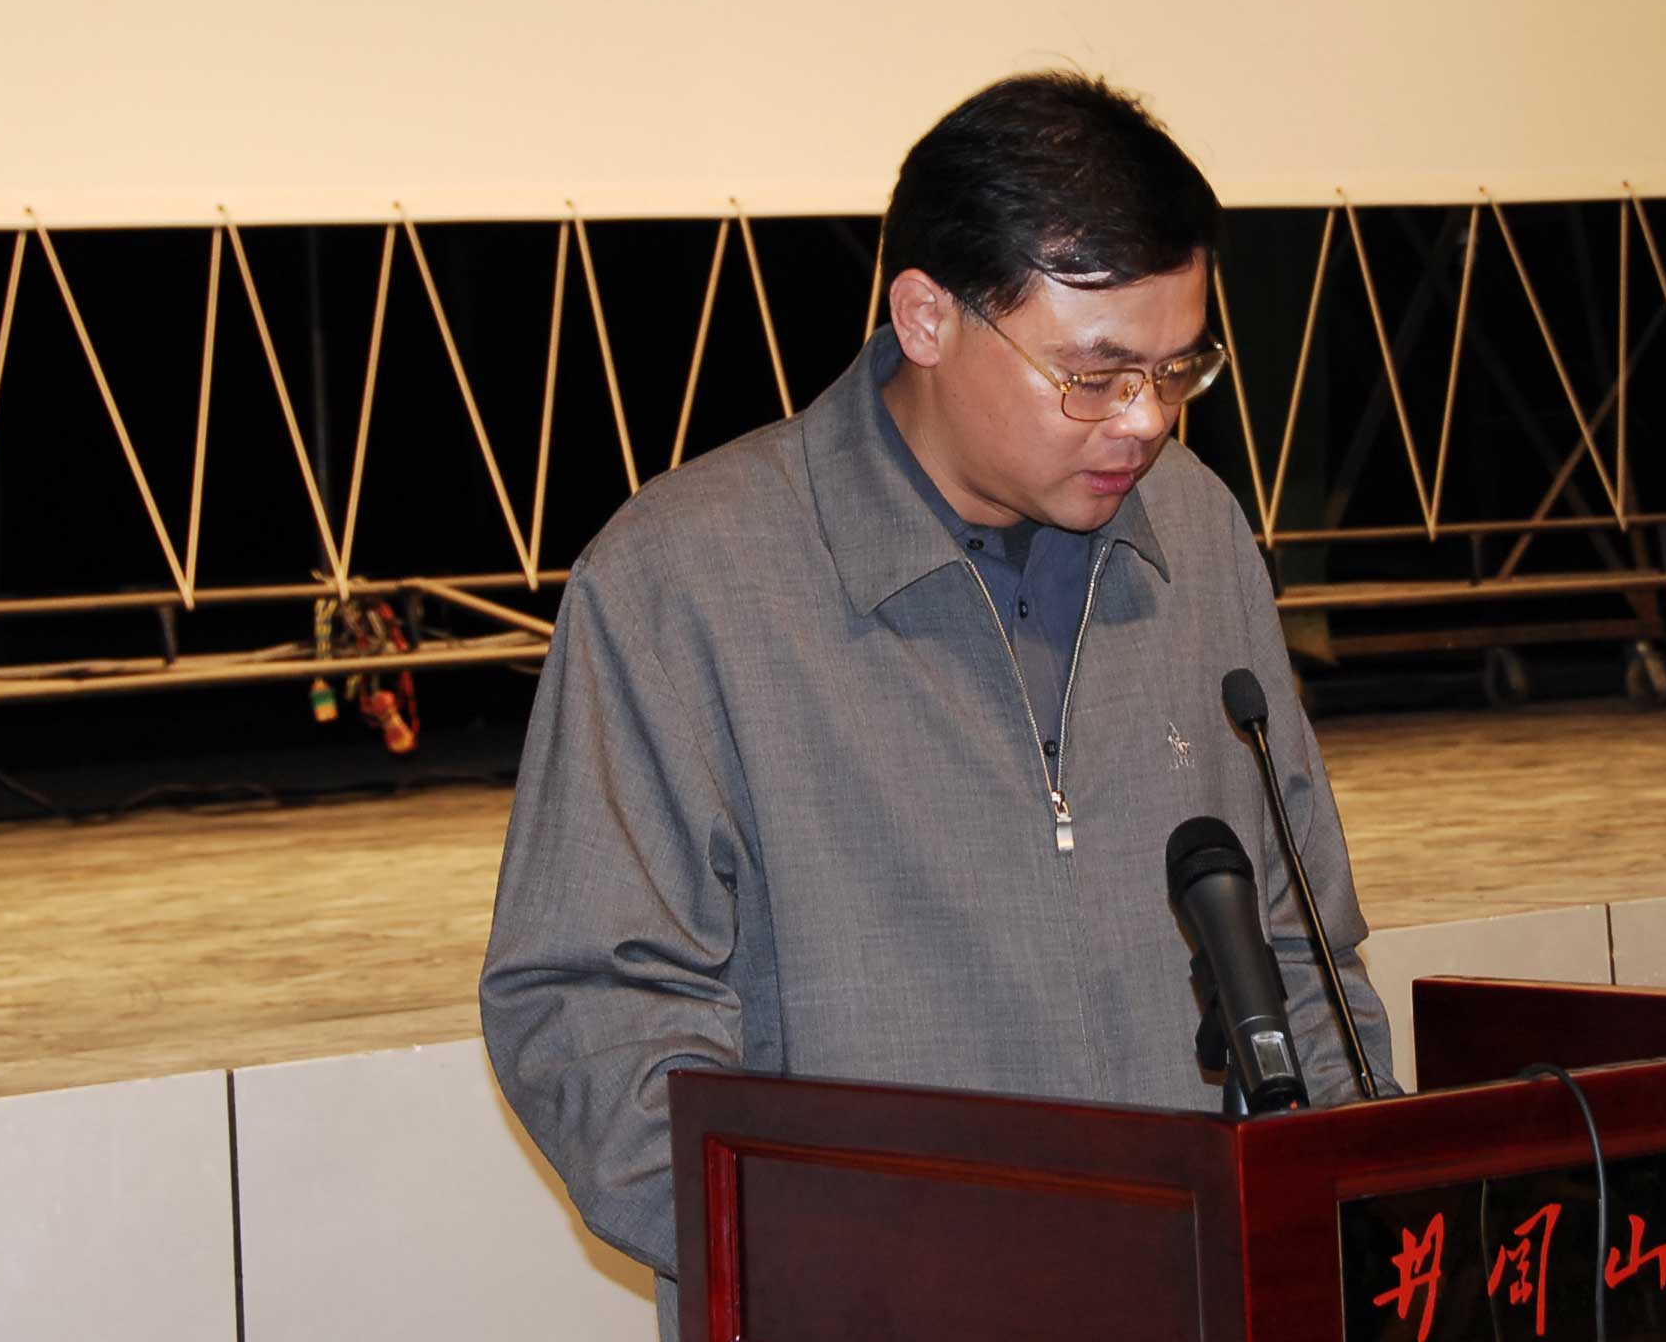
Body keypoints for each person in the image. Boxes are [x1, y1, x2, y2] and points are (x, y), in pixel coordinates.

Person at [479, 71, 1396, 1329]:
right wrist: (852, 1260)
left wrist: (1344, 1224)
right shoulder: (682, 582)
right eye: (1093, 375)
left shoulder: (1198, 534)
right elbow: (589, 1016)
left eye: (1178, 369)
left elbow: (1301, 949)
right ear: (924, 317)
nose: (1144, 422)